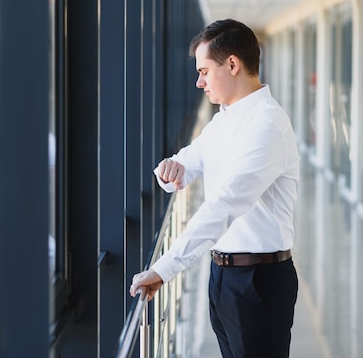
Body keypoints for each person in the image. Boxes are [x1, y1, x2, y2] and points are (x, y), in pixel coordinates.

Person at [129, 19, 300, 358]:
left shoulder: (266, 126)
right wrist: (169, 170)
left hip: (259, 281)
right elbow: (186, 162)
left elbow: (223, 206)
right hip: (223, 274)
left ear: (233, 64)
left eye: (205, 71)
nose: (199, 81)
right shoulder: (224, 119)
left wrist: (165, 268)